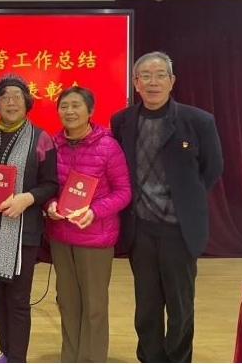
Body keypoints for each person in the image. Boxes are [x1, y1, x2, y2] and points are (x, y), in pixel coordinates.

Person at [110, 51, 223, 363]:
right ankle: (149, 358)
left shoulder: (198, 121)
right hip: (141, 230)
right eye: (145, 76)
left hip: (179, 230)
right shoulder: (122, 121)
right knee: (146, 306)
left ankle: (178, 359)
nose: (153, 82)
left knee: (179, 306)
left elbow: (211, 169)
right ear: (136, 83)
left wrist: (184, 201)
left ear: (172, 81)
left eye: (160, 75)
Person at [0, 73, 58, 363]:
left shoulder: (41, 138)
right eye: (4, 96)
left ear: (27, 102)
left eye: (17, 96)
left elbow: (51, 184)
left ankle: (18, 358)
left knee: (18, 299)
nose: (11, 102)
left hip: (24, 230)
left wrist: (27, 198)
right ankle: (6, 352)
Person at [45, 86, 131, 362]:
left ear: (90, 111)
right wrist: (50, 206)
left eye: (76, 105)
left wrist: (94, 211)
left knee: (94, 306)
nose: (69, 111)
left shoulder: (108, 146)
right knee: (67, 303)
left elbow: (123, 192)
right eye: (64, 106)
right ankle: (70, 357)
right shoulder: (52, 145)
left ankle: (92, 359)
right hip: (61, 236)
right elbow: (47, 187)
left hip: (95, 238)